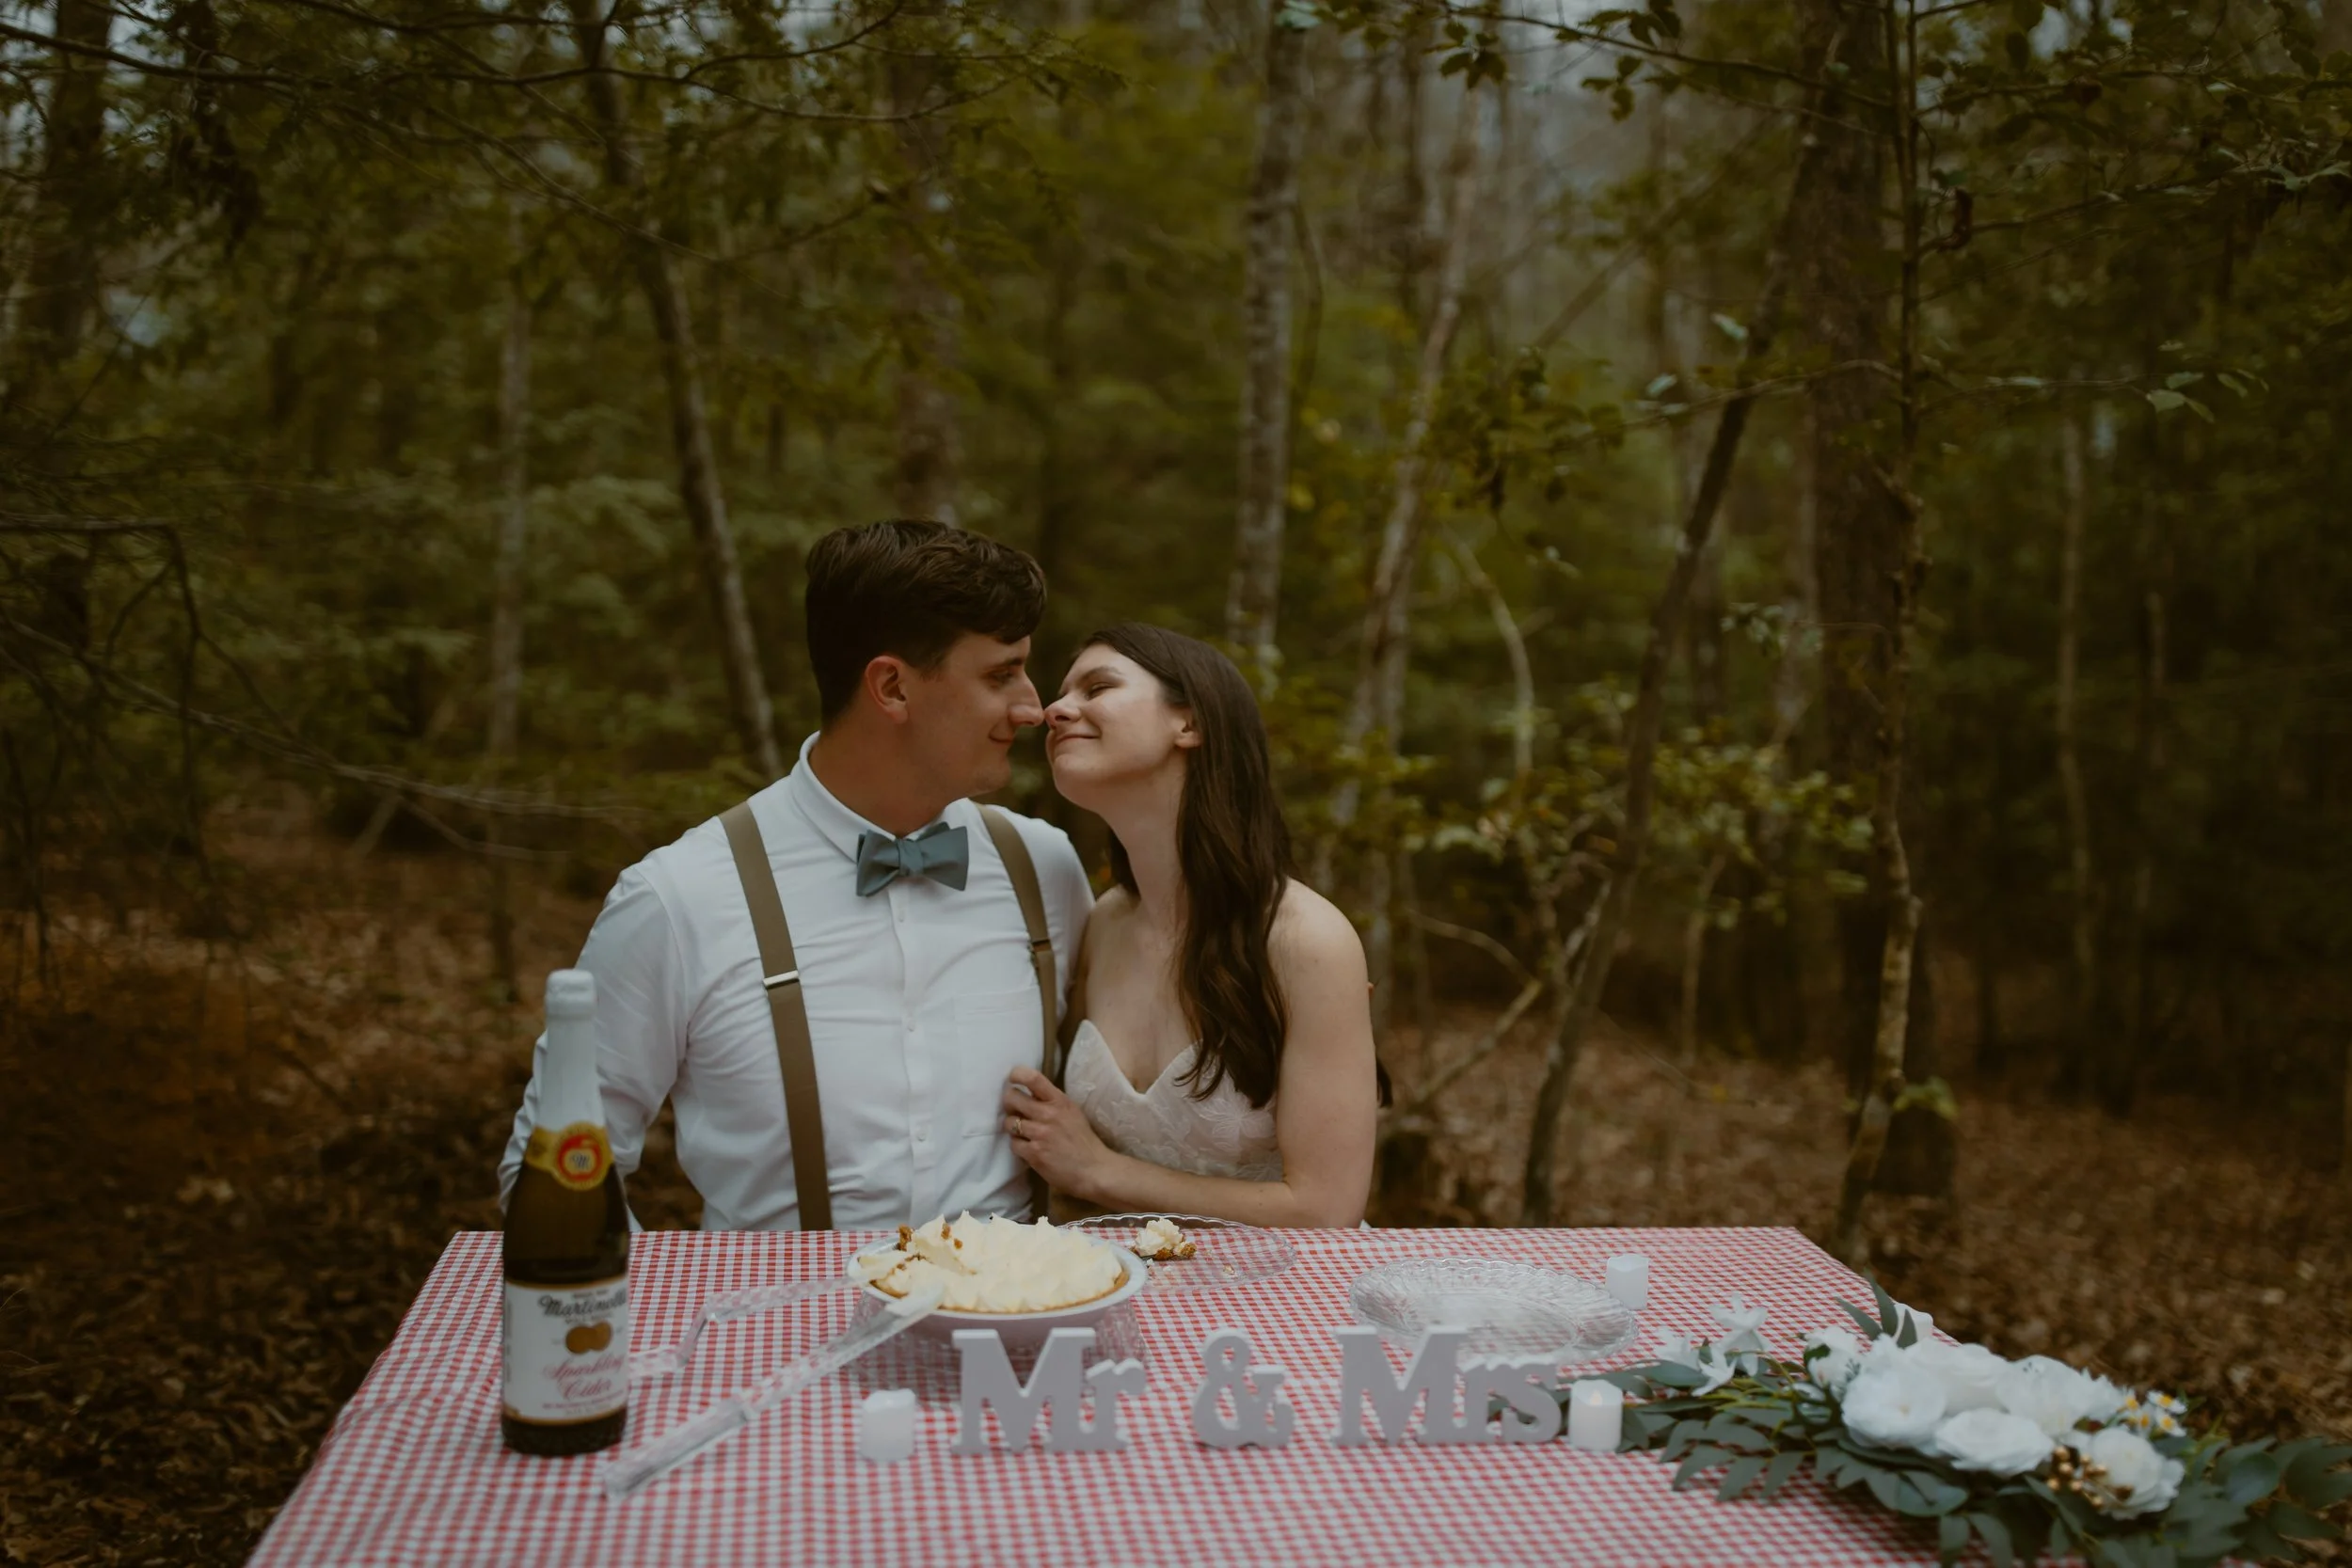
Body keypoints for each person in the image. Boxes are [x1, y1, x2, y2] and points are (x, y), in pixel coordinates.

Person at [499, 520, 1092, 1229]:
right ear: (892, 688)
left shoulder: (1044, 869)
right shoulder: (678, 897)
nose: (1032, 707)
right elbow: (553, 1170)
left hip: (1022, 1331)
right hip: (768, 1332)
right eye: (1001, 674)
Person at [1002, 624, 1381, 1227]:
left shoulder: (1305, 940)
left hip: (1280, 1298)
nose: (1055, 709)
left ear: (1190, 724)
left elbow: (1325, 1209)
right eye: (1061, 694)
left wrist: (1101, 1171)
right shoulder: (1103, 923)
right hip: (1124, 1291)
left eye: (1097, 687)